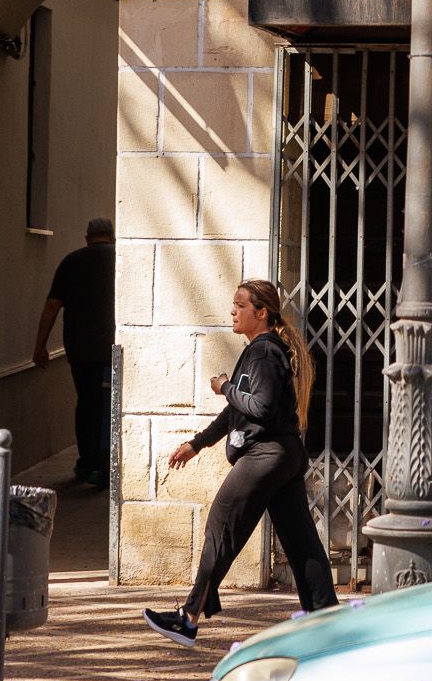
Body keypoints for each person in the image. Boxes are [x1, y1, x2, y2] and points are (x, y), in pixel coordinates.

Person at [143, 280, 337, 646]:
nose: (232, 311)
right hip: (284, 455)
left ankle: (187, 618)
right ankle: (326, 620)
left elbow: (258, 406)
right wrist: (196, 444)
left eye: (239, 305)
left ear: (260, 312)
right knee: (301, 541)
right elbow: (238, 412)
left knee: (221, 525)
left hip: (266, 455)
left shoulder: (263, 352)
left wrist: (225, 386)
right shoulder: (262, 350)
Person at [32, 218, 116, 489]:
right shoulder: (121, 258)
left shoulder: (71, 262)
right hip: (113, 349)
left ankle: (87, 461)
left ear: (87, 237)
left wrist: (40, 345)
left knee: (86, 403)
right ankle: (105, 464)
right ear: (112, 237)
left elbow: (52, 307)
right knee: (110, 406)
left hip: (80, 349)